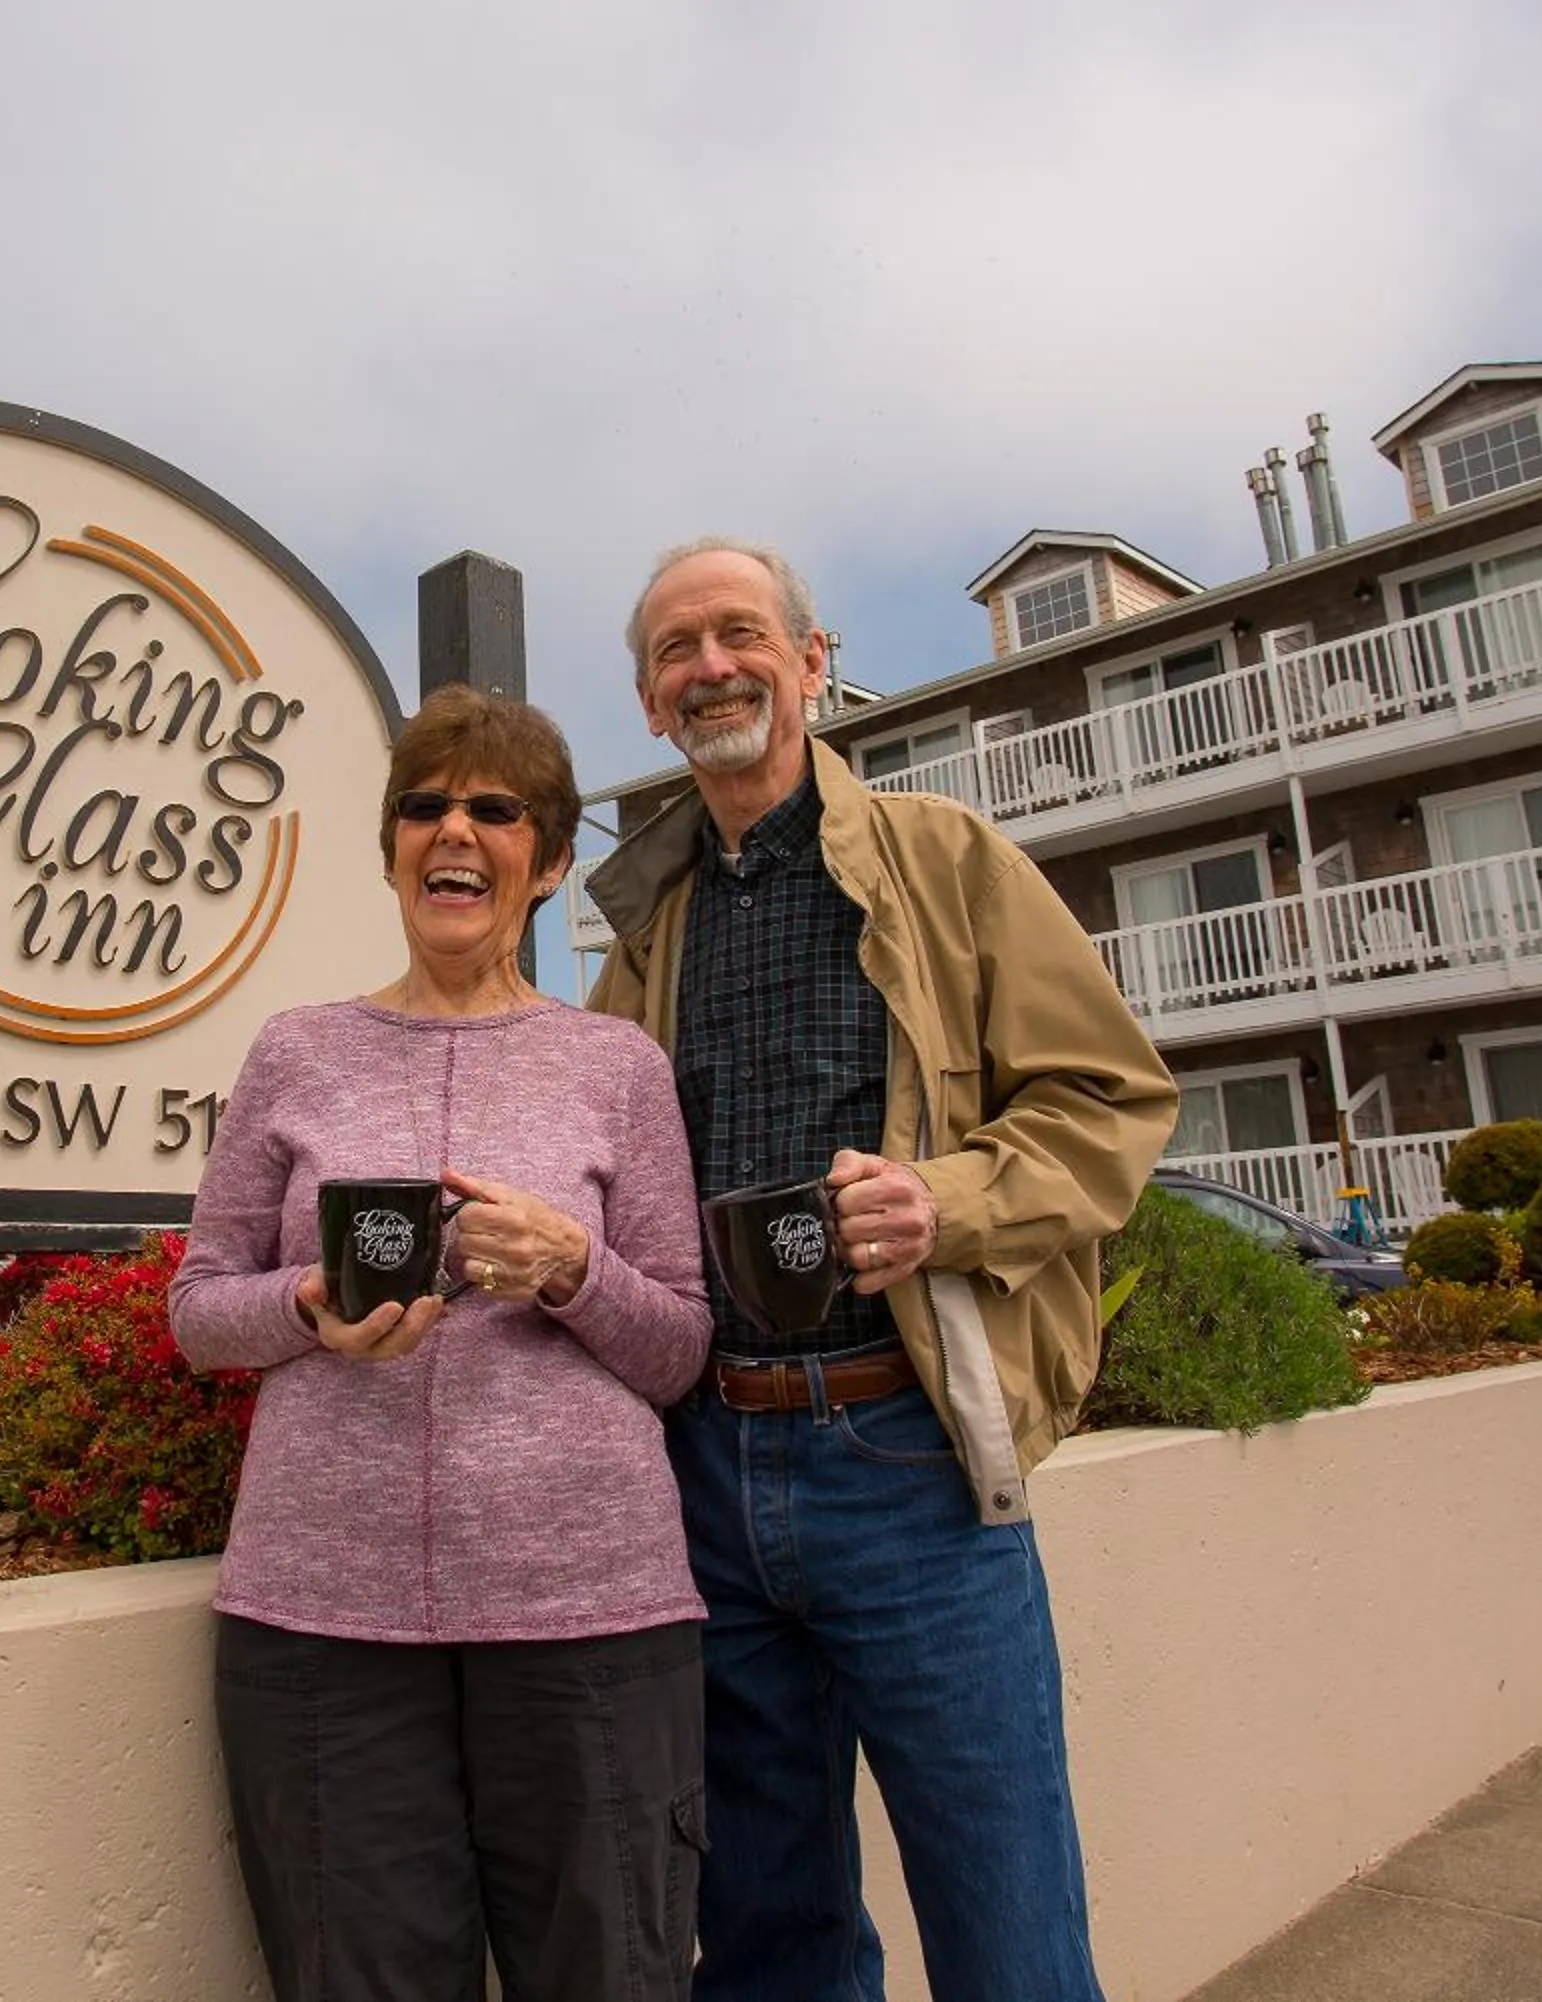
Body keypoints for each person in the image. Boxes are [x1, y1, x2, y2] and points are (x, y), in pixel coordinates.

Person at [586, 539, 1180, 1999]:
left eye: (739, 634)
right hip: (710, 1473)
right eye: (677, 650)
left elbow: (1113, 1099)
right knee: (771, 1935)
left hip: (908, 1452)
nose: (711, 665)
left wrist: (949, 1201)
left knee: (1006, 1923)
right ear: (654, 705)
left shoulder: (948, 859)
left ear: (813, 659)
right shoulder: (644, 932)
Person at [172, 684, 715, 2002]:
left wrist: (576, 1270)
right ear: (392, 846)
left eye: (493, 807)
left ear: (549, 859)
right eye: (424, 805)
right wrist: (311, 1307)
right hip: (323, 1623)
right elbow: (199, 1310)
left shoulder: (618, 1065)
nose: (453, 828)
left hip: (589, 1616)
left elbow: (681, 1345)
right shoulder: (296, 1052)